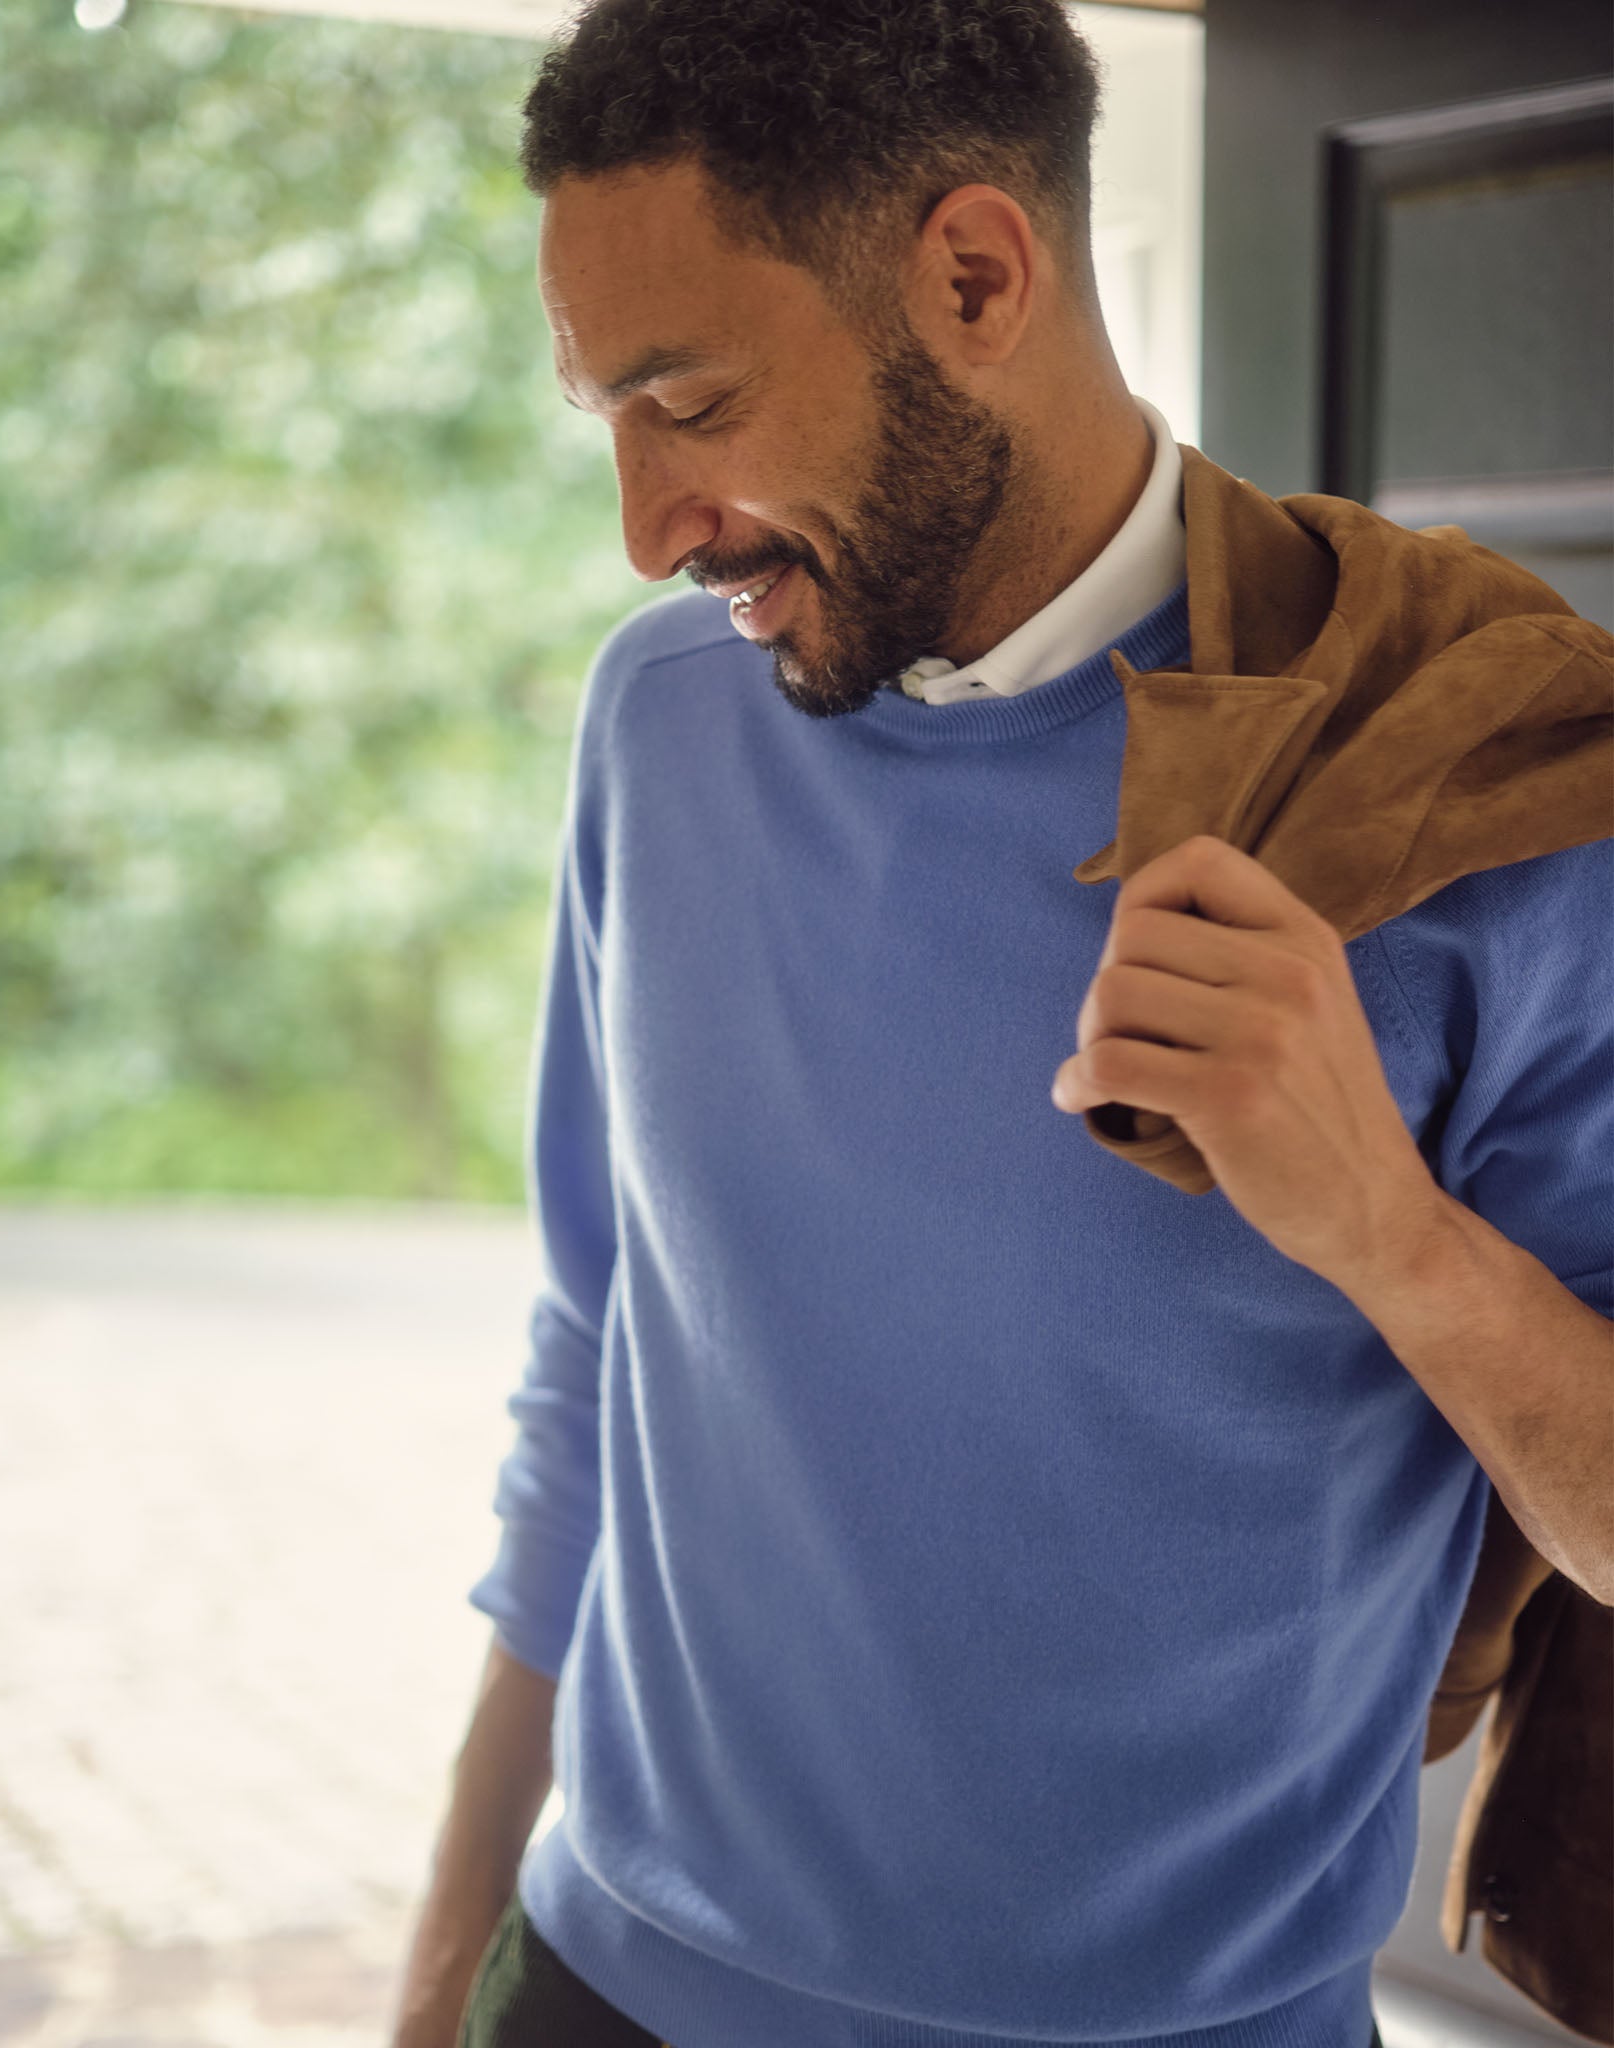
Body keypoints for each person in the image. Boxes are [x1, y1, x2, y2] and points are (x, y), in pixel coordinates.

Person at [387, 4, 1614, 2045]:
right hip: (597, 1982)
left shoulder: (1473, 787)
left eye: (687, 398)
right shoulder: (658, 720)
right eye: (606, 411)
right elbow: (603, 1349)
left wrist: (1385, 1228)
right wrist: (443, 1987)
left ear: (973, 276)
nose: (645, 526)